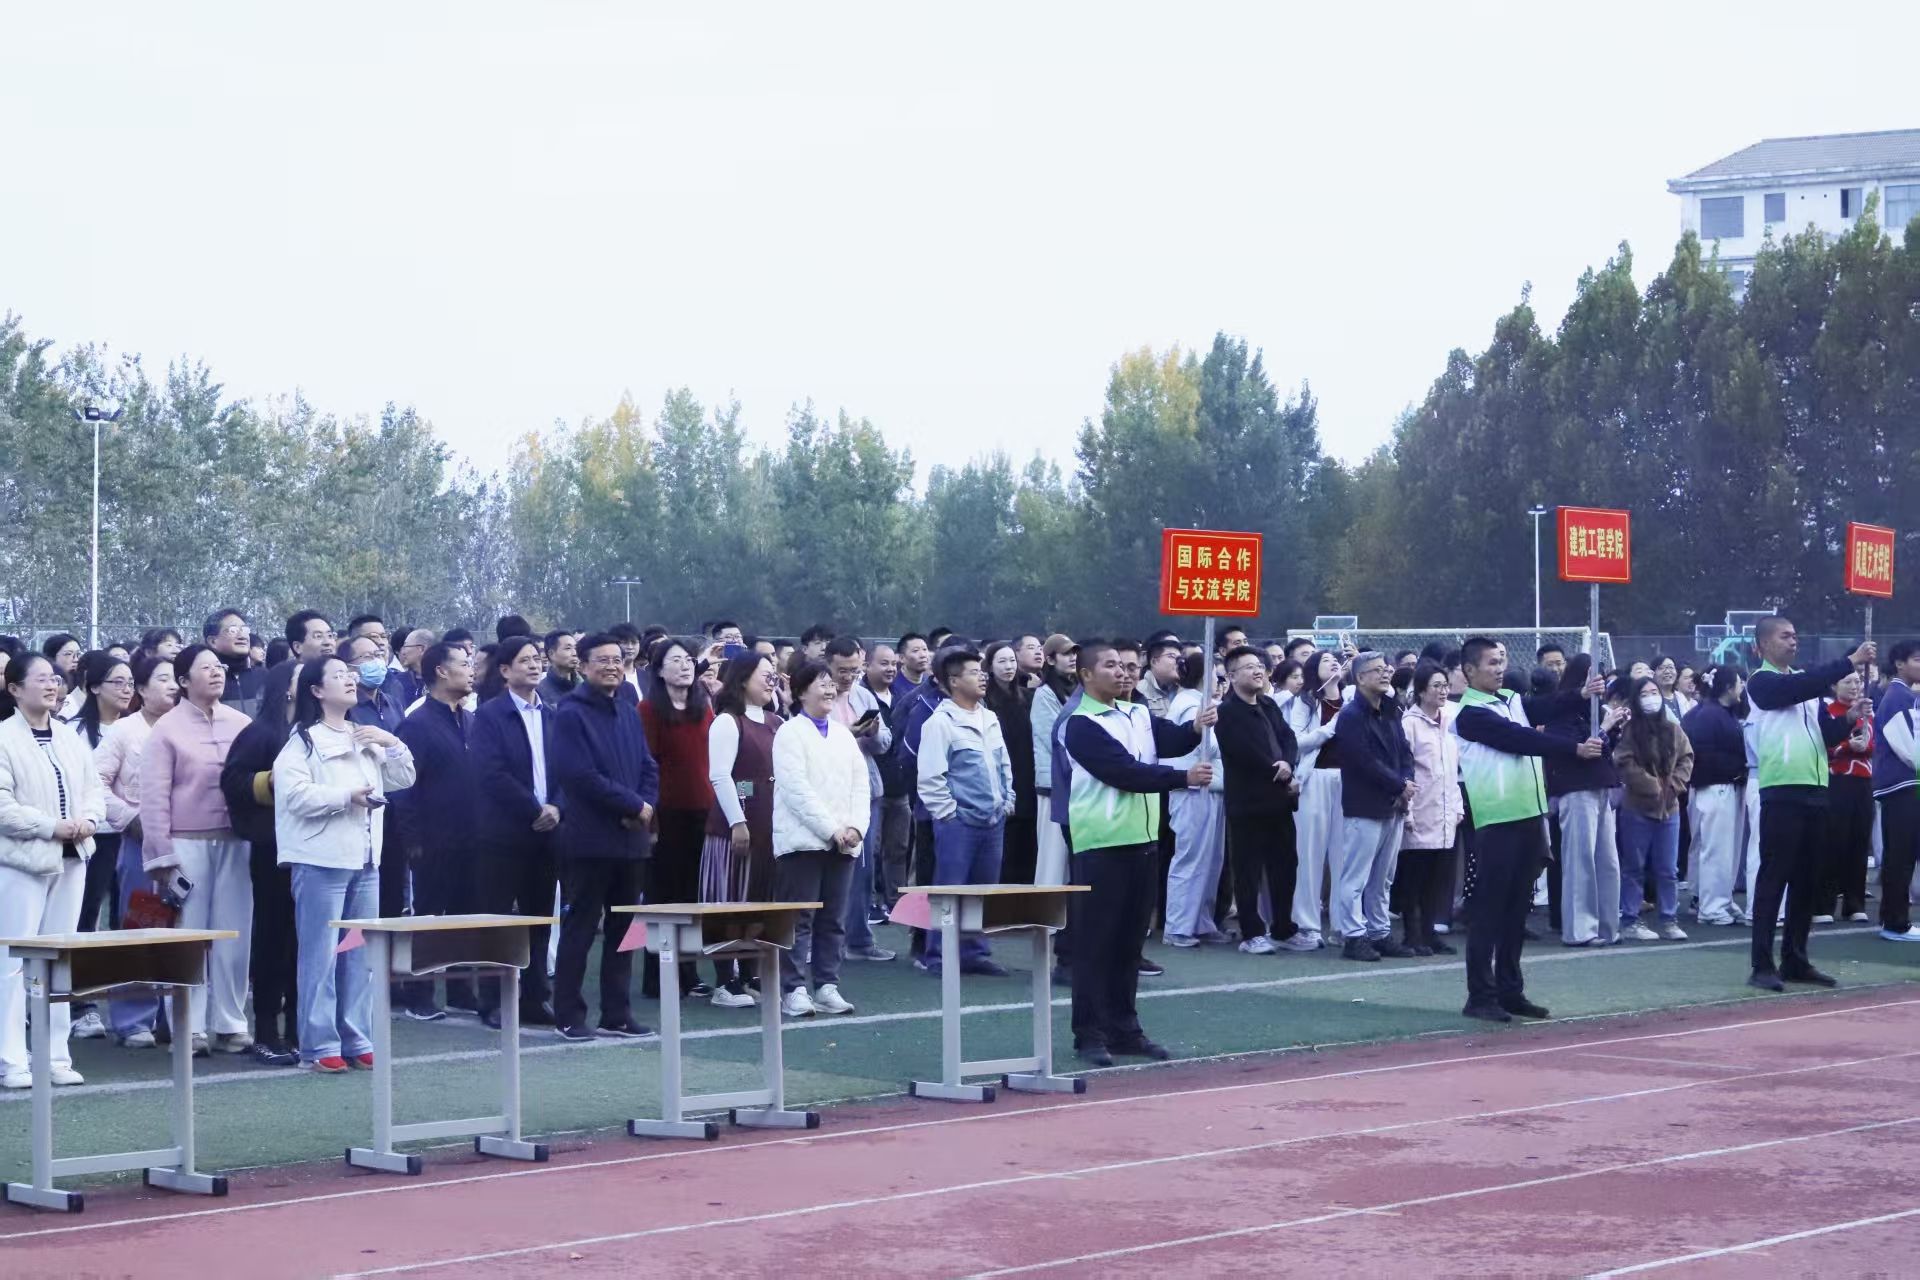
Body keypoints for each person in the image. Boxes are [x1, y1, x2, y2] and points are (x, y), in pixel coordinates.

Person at [1059, 640, 1213, 1065]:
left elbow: (1174, 740)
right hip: (1101, 844)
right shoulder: (1080, 724)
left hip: (1142, 842)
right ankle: (1089, 1033)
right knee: (1096, 945)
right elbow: (1124, 773)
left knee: (1129, 945)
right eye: (1110, 665)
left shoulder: (1137, 713)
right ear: (1086, 674)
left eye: (1126, 666)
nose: (1122, 672)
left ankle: (1124, 1029)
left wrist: (1196, 726)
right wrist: (1183, 779)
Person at [1452, 637, 1605, 1022]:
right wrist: (1573, 749)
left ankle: (1510, 991)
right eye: (1491, 662)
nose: (1499, 668)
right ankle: (1480, 995)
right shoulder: (1470, 714)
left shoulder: (1509, 699)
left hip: (1528, 817)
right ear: (1469, 670)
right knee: (1489, 910)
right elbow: (1519, 739)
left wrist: (1582, 693)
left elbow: (1547, 705)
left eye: (1501, 661)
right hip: (1496, 821)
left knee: (1517, 911)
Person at [274, 656, 414, 1071]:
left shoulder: (363, 733)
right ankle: (320, 1044)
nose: (350, 680)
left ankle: (357, 1037)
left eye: (350, 675)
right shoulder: (304, 740)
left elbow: (404, 777)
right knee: (320, 955)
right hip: (321, 861)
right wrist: (346, 797)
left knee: (357, 953)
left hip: (365, 860)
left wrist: (392, 743)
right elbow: (294, 796)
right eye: (338, 676)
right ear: (316, 691)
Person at [1745, 617, 1873, 991]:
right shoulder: (1761, 682)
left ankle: (1795, 959)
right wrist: (1850, 661)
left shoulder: (1805, 685)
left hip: (1816, 788)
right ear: (1762, 645)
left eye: (1795, 635)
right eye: (1785, 636)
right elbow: (1795, 689)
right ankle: (1761, 964)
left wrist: (1850, 718)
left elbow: (1825, 734)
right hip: (1782, 788)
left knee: (1807, 879)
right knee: (1774, 877)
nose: (1793, 641)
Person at [0, 652, 106, 1088]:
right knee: (12, 962)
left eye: (54, 679)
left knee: (60, 958)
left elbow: (94, 789)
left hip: (72, 859)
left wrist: (89, 821)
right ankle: (11, 1059)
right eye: (40, 678)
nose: (51, 685)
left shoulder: (68, 736)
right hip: (21, 863)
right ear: (14, 689)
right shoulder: (4, 737)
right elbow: (3, 806)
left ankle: (56, 1055)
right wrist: (51, 827)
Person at [142, 642, 253, 1055]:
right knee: (187, 935)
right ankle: (188, 1027)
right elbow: (153, 797)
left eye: (219, 666)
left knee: (235, 934)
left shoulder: (242, 723)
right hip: (185, 843)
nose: (216, 672)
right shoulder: (166, 729)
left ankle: (231, 1023)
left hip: (236, 841)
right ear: (184, 680)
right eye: (206, 668)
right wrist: (161, 855)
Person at [550, 633, 658, 1040]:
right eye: (602, 660)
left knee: (626, 929)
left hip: (631, 840)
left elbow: (649, 767)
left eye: (617, 659)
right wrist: (632, 806)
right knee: (580, 928)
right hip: (590, 839)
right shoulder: (570, 713)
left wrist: (645, 805)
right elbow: (579, 776)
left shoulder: (628, 710)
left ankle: (617, 1012)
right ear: (582, 666)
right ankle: (568, 1014)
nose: (612, 666)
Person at [469, 634, 562, 1027]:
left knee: (539, 919)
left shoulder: (552, 714)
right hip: (503, 834)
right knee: (496, 919)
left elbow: (566, 769)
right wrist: (534, 809)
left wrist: (557, 807)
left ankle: (536, 997)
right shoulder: (490, 715)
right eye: (525, 660)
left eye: (537, 658)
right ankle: (492, 1000)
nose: (535, 664)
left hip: (547, 834)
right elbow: (491, 773)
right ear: (505, 671)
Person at [771, 661, 870, 1016]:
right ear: (800, 692)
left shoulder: (843, 735)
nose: (829, 689)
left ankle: (827, 985)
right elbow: (796, 790)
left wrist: (856, 827)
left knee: (833, 919)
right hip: (803, 843)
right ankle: (793, 989)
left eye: (831, 683)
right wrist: (832, 829)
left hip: (843, 845)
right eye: (820, 683)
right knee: (799, 918)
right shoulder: (789, 733)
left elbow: (861, 786)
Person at [219, 661, 303, 1065]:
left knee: (307, 943)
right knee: (273, 938)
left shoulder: (318, 732)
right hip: (274, 851)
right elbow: (233, 782)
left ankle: (302, 1027)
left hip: (314, 852)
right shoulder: (261, 733)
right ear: (286, 688)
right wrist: (273, 781)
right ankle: (267, 1030)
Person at [396, 642, 483, 1014]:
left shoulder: (471, 720)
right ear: (441, 671)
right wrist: (412, 839)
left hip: (473, 837)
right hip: (432, 839)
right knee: (430, 915)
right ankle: (420, 994)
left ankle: (461, 990)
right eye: (463, 663)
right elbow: (404, 786)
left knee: (466, 914)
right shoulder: (416, 724)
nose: (471, 669)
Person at [97, 653, 179, 1047]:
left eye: (176, 678)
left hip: (186, 841)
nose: (172, 685)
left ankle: (175, 1015)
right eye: (162, 678)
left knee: (181, 928)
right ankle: (134, 1018)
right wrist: (130, 818)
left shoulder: (187, 727)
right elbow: (93, 782)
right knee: (141, 923)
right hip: (140, 842)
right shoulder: (123, 731)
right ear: (142, 689)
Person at [917, 648, 1015, 976]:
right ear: (954, 681)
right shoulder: (940, 722)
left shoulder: (989, 717)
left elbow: (1003, 763)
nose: (982, 677)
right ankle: (939, 956)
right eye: (974, 672)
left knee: (982, 889)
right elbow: (931, 777)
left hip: (993, 818)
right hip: (959, 823)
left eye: (981, 671)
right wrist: (949, 814)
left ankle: (974, 952)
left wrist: (1007, 800)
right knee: (950, 889)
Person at [638, 637, 719, 998]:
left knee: (692, 896)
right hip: (666, 815)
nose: (685, 666)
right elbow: (647, 766)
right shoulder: (648, 710)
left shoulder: (704, 706)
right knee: (663, 897)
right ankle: (657, 976)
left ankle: (688, 971)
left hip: (703, 812)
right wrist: (651, 819)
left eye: (688, 660)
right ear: (658, 670)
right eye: (675, 660)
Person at [702, 653, 783, 1006]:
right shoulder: (727, 721)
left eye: (774, 675)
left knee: (760, 900)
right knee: (729, 898)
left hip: (770, 830)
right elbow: (723, 776)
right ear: (742, 679)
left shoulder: (776, 722)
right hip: (735, 829)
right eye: (765, 674)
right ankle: (725, 980)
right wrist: (738, 820)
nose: (772, 681)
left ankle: (752, 973)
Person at [67, 652, 135, 1038]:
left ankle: (133, 1005)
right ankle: (81, 1006)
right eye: (117, 682)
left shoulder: (137, 727)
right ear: (93, 687)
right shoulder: (73, 732)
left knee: (128, 920)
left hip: (132, 835)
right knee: (85, 916)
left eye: (130, 683)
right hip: (92, 836)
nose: (126, 690)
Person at [1331, 652, 1415, 961]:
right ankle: (1353, 936)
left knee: (1383, 878)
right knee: (1355, 877)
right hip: (1365, 804)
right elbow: (1363, 760)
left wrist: (1405, 781)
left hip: (1393, 804)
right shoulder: (1351, 716)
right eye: (1376, 670)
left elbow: (1404, 752)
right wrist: (1399, 785)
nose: (1385, 674)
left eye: (1386, 669)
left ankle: (1379, 932)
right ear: (1360, 678)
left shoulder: (1390, 710)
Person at [1213, 645, 1297, 953]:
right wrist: (1280, 771)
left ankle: (1284, 928)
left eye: (1259, 665)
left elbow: (1288, 737)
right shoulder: (1226, 712)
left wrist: (1289, 763)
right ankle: (1251, 933)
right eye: (1249, 667)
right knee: (1247, 870)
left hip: (1279, 801)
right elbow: (1244, 752)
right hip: (1247, 803)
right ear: (1232, 676)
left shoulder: (1268, 704)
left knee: (1285, 866)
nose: (1258, 670)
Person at [823, 636, 894, 962]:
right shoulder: (816, 694)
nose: (848, 676)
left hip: (865, 790)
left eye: (854, 670)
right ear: (827, 664)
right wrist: (845, 735)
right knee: (826, 867)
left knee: (863, 868)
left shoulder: (864, 694)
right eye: (842, 670)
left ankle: (859, 939)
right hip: (827, 792)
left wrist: (873, 732)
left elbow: (885, 743)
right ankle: (823, 942)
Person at [1614, 675, 1696, 941]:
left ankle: (1669, 919)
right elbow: (1624, 762)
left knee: (1668, 869)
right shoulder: (1629, 731)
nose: (1651, 698)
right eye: (1644, 694)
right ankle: (1630, 919)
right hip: (1637, 807)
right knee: (1634, 867)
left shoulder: (1673, 729)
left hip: (1669, 808)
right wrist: (1652, 786)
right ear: (1636, 700)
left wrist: (1673, 786)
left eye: (1654, 693)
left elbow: (1687, 758)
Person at [1158, 652, 1227, 948]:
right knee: (1190, 859)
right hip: (1192, 790)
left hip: (1211, 789)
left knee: (1211, 860)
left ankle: (1201, 921)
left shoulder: (1200, 702)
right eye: (1215, 674)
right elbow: (1203, 746)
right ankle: (1178, 926)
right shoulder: (1189, 704)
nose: (1219, 680)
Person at [1398, 659, 1462, 956]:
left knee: (1437, 879)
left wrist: (1458, 808)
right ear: (1421, 691)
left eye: (1445, 685)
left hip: (1445, 812)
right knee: (1415, 877)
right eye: (1436, 686)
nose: (1443, 691)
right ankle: (1412, 935)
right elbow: (1405, 770)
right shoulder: (1409, 724)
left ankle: (1429, 933)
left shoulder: (1448, 722)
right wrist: (1407, 811)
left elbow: (1453, 770)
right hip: (1420, 810)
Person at [1283, 651, 1345, 950]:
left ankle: (1345, 925)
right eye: (1324, 660)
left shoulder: (1352, 698)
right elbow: (1295, 742)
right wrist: (1331, 728)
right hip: (1314, 780)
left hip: (1348, 780)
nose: (1333, 662)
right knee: (1309, 853)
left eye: (1335, 659)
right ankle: (1307, 925)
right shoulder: (1305, 702)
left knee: (1345, 856)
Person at [1684, 666, 1749, 928]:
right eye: (1739, 683)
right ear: (1728, 687)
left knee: (1723, 850)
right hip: (1715, 787)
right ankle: (1711, 906)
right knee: (1716, 850)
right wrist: (1736, 769)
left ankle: (1719, 899)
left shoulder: (1719, 713)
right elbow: (1704, 756)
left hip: (1724, 786)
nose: (1742, 687)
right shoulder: (1710, 716)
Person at [1816, 670, 1875, 925]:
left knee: (1859, 842)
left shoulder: (1867, 711)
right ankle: (1823, 905)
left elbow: (1873, 744)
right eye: (1848, 682)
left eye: (1857, 681)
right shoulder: (1828, 711)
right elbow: (1824, 746)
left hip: (1863, 782)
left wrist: (1864, 746)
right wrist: (1848, 746)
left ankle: (1854, 904)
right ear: (1834, 685)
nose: (1854, 686)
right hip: (1836, 781)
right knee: (1832, 842)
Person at [1872, 641, 1920, 942]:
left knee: (1902, 854)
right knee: (1900, 855)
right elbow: (1908, 748)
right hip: (1901, 786)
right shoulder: (1898, 697)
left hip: (1906, 785)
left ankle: (1894, 919)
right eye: (1917, 659)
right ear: (1900, 664)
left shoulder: (1906, 696)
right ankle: (1895, 922)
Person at [983, 640, 1038, 885]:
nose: (1008, 667)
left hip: (1027, 774)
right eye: (1002, 661)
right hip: (1002, 775)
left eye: (1012, 661)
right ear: (990, 666)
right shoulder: (985, 701)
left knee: (1028, 843)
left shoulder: (1028, 697)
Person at [862, 643, 911, 906]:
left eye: (893, 663)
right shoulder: (861, 697)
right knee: (872, 849)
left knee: (899, 848)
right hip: (871, 786)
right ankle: (870, 903)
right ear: (866, 665)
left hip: (900, 785)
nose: (891, 668)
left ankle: (896, 901)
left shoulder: (903, 695)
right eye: (884, 663)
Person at [1030, 634, 1077, 887]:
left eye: (1074, 653)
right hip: (1052, 785)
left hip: (1075, 783)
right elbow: (1054, 739)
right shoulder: (1044, 694)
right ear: (1050, 659)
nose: (1073, 658)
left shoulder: (1077, 690)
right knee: (1053, 858)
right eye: (1066, 653)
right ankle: (1047, 910)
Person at [204, 609, 265, 717]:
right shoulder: (204, 680)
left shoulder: (264, 676)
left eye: (245, 630)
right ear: (213, 641)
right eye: (233, 630)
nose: (242, 636)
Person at [42, 633, 83, 719]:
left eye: (78, 654)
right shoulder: (43, 686)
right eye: (68, 654)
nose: (76, 659)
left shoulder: (84, 687)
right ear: (51, 657)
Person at [540, 629, 580, 704]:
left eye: (575, 648)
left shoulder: (585, 686)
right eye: (568, 648)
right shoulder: (540, 693)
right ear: (551, 654)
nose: (575, 653)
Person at [892, 633, 931, 701]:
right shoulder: (892, 686)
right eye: (915, 651)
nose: (923, 655)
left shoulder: (930, 683)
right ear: (902, 658)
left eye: (924, 649)